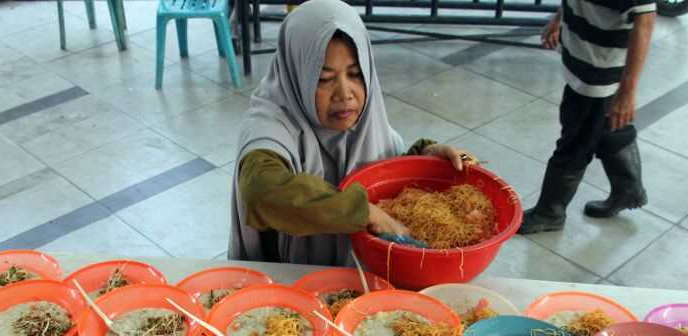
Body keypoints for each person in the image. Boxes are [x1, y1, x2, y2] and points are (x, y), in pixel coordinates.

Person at [229, 0, 469, 266]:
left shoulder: (367, 124)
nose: (345, 94)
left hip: (363, 284)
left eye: (355, 74)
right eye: (324, 79)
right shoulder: (270, 124)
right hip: (290, 286)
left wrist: (422, 156)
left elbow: (380, 178)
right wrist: (361, 211)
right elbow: (261, 189)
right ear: (297, 74)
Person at [518, 0, 657, 234]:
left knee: (575, 141)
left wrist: (627, 91)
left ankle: (549, 212)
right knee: (608, 126)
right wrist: (558, 19)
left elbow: (645, 22)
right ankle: (628, 190)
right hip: (583, 57)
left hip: (599, 71)